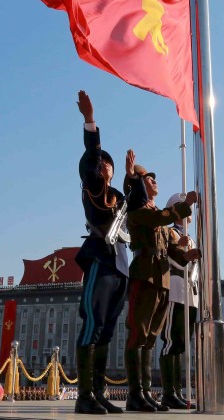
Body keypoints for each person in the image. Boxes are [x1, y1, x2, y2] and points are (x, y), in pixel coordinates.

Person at [73, 90, 139, 415]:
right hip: (100, 256)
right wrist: (89, 121)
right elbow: (91, 157)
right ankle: (84, 396)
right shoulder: (92, 185)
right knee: (93, 324)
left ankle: (98, 393)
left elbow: (133, 204)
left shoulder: (117, 196)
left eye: (108, 164)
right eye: (104, 163)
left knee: (108, 330)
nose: (105, 166)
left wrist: (130, 176)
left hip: (120, 266)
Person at [123, 164, 200, 412]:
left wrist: (190, 255)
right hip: (144, 275)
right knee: (138, 334)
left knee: (149, 338)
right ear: (137, 185)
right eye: (148, 179)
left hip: (161, 280)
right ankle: (135, 394)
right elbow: (161, 218)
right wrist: (186, 203)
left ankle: (145, 393)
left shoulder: (158, 216)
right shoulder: (138, 211)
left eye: (155, 178)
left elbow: (172, 250)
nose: (154, 180)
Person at [158, 192, 199, 409]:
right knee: (171, 341)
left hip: (190, 293)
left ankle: (177, 391)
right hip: (175, 289)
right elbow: (169, 259)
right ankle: (168, 392)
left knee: (182, 344)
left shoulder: (190, 237)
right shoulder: (170, 232)